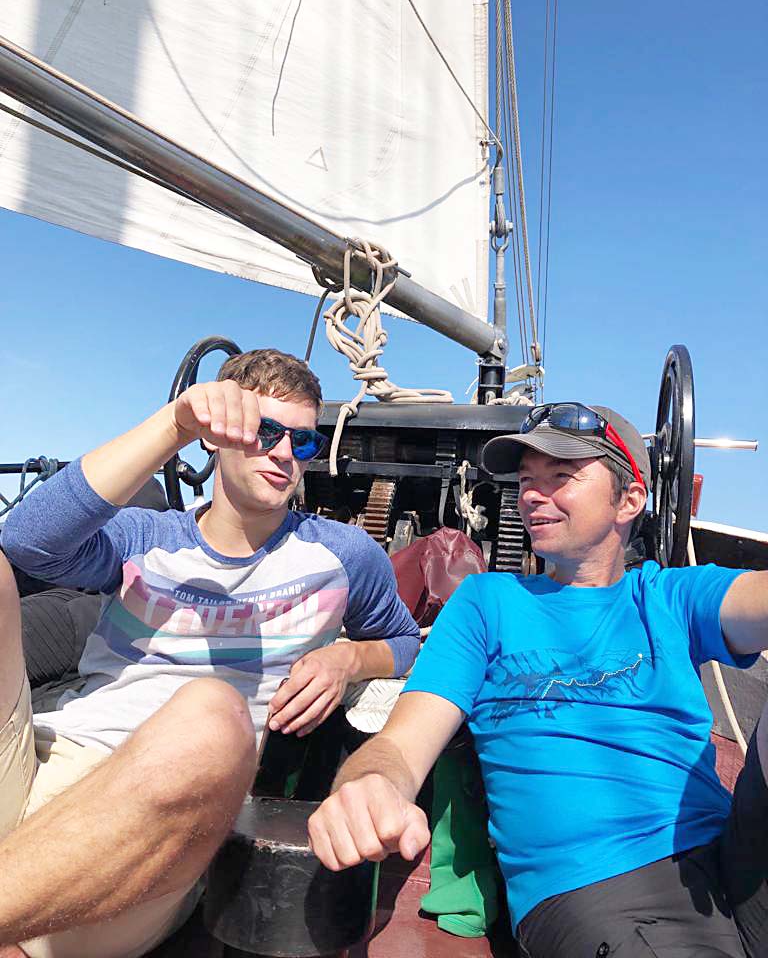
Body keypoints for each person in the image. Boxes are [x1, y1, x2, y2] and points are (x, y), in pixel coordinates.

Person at [0, 347, 419, 958]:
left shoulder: (344, 556)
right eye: (263, 432)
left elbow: (405, 642)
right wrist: (172, 425)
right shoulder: (146, 537)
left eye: (302, 441)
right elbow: (26, 543)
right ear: (215, 438)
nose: (284, 453)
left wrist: (348, 659)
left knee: (212, 711)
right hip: (44, 753)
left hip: (165, 804)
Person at [308, 402, 768, 958]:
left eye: (560, 476)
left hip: (734, 849)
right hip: (601, 884)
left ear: (630, 500)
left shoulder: (670, 596)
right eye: (527, 479)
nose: (531, 495)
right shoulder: (487, 603)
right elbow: (402, 746)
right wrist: (373, 784)